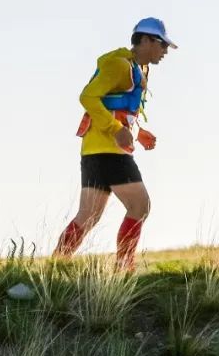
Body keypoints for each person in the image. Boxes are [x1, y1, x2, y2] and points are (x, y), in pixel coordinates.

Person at [52, 17, 176, 270]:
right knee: (140, 205)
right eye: (162, 44)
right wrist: (116, 129)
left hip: (95, 150)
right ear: (145, 40)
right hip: (109, 150)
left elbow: (116, 105)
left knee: (88, 216)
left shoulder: (135, 69)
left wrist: (137, 131)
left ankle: (56, 265)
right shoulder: (119, 65)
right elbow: (88, 96)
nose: (165, 51)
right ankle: (124, 266)